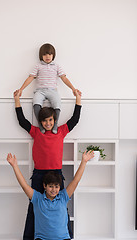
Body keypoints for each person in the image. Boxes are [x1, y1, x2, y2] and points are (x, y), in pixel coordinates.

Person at [14, 89, 82, 240]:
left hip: (57, 174)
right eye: (45, 121)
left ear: (54, 119)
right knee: (34, 207)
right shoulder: (37, 132)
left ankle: (66, 236)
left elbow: (75, 119)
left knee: (62, 207)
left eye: (51, 120)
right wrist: (17, 101)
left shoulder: (61, 131)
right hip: (39, 174)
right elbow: (22, 121)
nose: (48, 123)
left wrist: (78, 99)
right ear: (41, 122)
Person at [6, 150, 94, 240]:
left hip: (63, 238)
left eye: (56, 187)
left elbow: (76, 181)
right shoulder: (37, 198)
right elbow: (24, 185)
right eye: (50, 186)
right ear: (45, 186)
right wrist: (15, 166)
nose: (53, 190)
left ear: (60, 187)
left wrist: (84, 162)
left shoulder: (63, 197)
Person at [18, 43, 81, 133]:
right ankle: (41, 124)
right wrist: (21, 89)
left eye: (50, 54)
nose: (47, 56)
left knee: (57, 103)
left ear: (53, 55)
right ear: (41, 56)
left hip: (52, 90)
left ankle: (55, 124)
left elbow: (64, 78)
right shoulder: (38, 66)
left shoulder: (56, 66)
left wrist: (73, 89)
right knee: (36, 103)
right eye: (44, 54)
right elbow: (30, 78)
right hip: (40, 91)